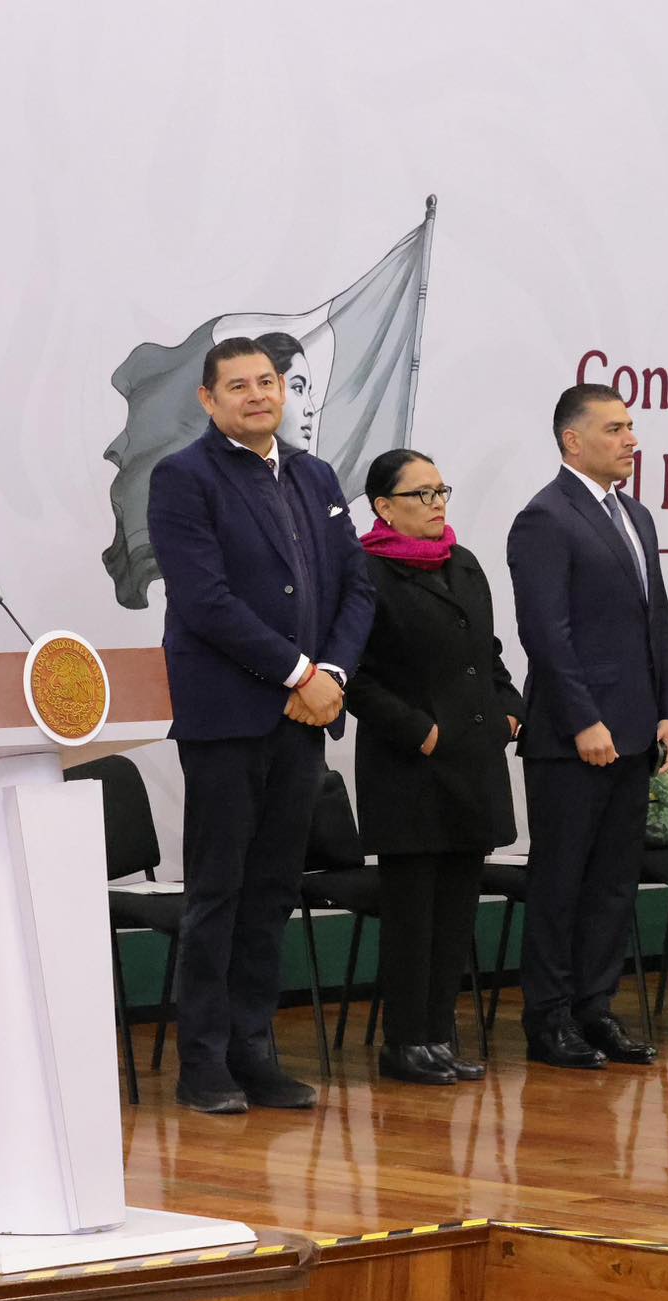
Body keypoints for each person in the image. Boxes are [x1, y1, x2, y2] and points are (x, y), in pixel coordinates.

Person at [148, 337, 374, 1113]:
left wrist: (333, 676)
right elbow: (206, 602)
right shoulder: (184, 479)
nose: (256, 395)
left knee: (274, 891)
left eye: (268, 382)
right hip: (227, 719)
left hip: (303, 718)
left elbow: (357, 588)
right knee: (221, 892)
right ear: (208, 401)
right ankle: (204, 1062)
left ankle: (257, 1053)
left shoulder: (316, 475)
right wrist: (298, 674)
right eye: (237, 385)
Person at [507, 384, 668, 1069]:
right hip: (571, 739)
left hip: (637, 732)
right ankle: (548, 1019)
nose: (631, 440)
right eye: (615, 429)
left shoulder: (635, 515)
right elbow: (545, 634)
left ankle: (594, 1009)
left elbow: (656, 618)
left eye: (632, 426)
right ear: (573, 441)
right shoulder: (545, 518)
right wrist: (586, 719)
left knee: (613, 883)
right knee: (562, 882)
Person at [347, 449, 522, 1084]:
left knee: (455, 911)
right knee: (412, 913)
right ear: (384, 507)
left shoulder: (464, 563)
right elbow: (354, 675)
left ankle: (439, 1036)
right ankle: (404, 1042)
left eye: (440, 489)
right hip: (410, 766)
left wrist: (510, 705)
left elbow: (488, 651)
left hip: (472, 761)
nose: (437, 502)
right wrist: (417, 730)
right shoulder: (365, 572)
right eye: (420, 494)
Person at [256, 331, 321, 454]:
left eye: (308, 392)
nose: (310, 410)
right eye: (298, 388)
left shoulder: (319, 472)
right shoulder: (213, 470)